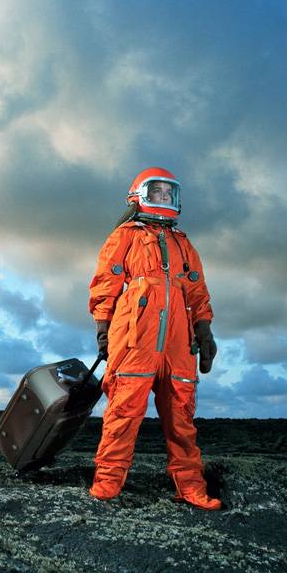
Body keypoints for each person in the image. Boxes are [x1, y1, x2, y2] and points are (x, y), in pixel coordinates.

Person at [88, 167, 221, 510]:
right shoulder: (124, 237)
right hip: (134, 340)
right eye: (157, 192)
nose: (164, 199)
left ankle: (191, 486)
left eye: (168, 193)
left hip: (178, 345)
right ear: (140, 196)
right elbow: (106, 284)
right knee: (123, 412)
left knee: (182, 418)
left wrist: (204, 331)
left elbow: (197, 292)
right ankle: (107, 483)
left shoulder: (183, 243)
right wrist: (103, 328)